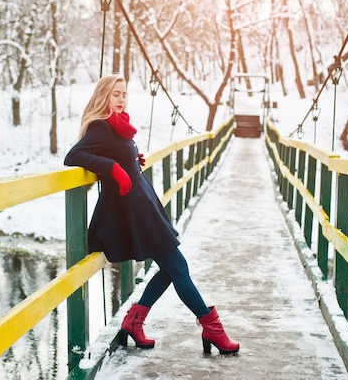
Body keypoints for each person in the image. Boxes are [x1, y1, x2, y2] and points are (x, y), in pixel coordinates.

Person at [64, 74, 239, 355]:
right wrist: (113, 167)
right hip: (135, 211)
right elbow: (73, 156)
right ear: (103, 97)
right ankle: (212, 328)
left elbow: (116, 152)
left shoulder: (116, 127)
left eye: (124, 94)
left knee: (173, 269)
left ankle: (135, 321)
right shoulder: (100, 126)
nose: (121, 99)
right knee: (178, 267)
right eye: (115, 94)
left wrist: (131, 160)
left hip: (144, 205)